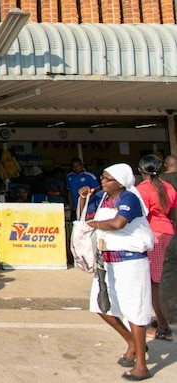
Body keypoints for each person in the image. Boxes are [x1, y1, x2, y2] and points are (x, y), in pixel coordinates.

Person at [79, 163, 153, 381]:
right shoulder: (104, 198)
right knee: (100, 305)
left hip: (130, 263)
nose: (102, 182)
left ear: (120, 182)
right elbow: (87, 217)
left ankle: (141, 365)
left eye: (107, 179)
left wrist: (95, 224)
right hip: (108, 262)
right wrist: (83, 199)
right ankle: (131, 341)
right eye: (102, 177)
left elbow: (119, 222)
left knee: (135, 312)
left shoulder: (129, 198)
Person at [135, 155, 177, 342]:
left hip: (152, 237)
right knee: (165, 280)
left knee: (155, 284)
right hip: (168, 233)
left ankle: (163, 327)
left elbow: (137, 217)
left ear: (140, 170)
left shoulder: (141, 190)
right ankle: (164, 320)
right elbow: (173, 215)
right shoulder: (169, 187)